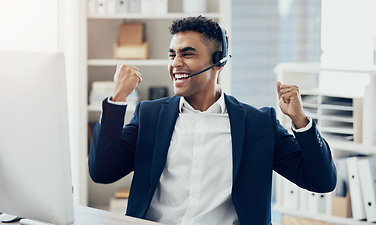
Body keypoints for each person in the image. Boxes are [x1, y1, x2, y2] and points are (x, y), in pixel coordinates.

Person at [88, 16, 336, 225]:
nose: (175, 63)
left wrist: (300, 121)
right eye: (172, 54)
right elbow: (102, 171)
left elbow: (321, 180)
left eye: (187, 54)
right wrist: (118, 98)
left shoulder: (258, 124)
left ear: (218, 62)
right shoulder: (149, 115)